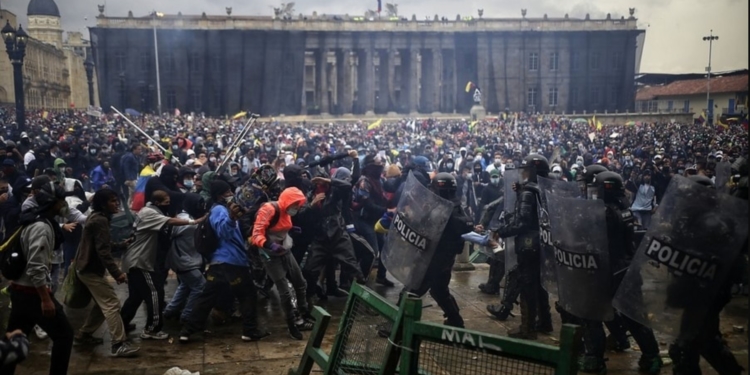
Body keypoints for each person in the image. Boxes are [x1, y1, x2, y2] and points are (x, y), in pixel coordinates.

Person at [179, 180, 270, 343]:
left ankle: (187, 331)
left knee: (206, 299)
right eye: (228, 192)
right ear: (221, 194)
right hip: (232, 262)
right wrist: (231, 218)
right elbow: (224, 232)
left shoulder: (220, 209)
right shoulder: (220, 210)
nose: (231, 194)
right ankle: (250, 330)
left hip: (218, 264)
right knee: (248, 295)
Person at [4, 177, 74, 375]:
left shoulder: (37, 220)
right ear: (53, 203)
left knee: (14, 338)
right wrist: (46, 299)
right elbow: (36, 267)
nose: (64, 205)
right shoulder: (42, 228)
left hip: (20, 290)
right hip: (32, 293)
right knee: (64, 335)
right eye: (62, 201)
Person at [120, 190, 203, 340]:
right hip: (140, 261)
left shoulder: (148, 210)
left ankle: (122, 323)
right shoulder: (150, 213)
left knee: (136, 296)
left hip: (134, 259)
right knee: (155, 293)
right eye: (166, 202)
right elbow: (169, 221)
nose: (169, 204)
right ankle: (152, 329)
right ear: (157, 202)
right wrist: (194, 222)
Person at [73, 188, 140, 357]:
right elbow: (103, 251)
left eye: (116, 200)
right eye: (112, 201)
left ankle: (84, 334)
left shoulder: (98, 217)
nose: (116, 203)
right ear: (103, 204)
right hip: (90, 269)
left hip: (86, 267)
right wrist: (117, 273)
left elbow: (102, 244)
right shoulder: (100, 220)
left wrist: (120, 245)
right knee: (112, 303)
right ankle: (118, 344)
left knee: (101, 303)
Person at [496, 153, 552, 339]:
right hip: (543, 241)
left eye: (527, 169)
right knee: (540, 284)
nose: (524, 172)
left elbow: (522, 222)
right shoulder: (546, 189)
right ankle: (545, 321)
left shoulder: (528, 192)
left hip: (528, 244)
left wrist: (501, 231)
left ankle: (527, 328)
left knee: (528, 285)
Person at [250, 187, 311, 340]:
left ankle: (304, 314)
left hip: (285, 249)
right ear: (287, 201)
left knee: (300, 283)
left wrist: (290, 230)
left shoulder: (286, 211)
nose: (296, 208)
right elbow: (256, 234)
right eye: (295, 204)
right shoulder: (269, 209)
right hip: (270, 255)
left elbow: (281, 226)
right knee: (284, 291)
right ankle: (292, 324)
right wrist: (269, 245)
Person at [163, 193, 207, 323]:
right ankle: (187, 315)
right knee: (200, 285)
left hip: (187, 259)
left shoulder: (188, 217)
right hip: (183, 260)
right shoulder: (185, 220)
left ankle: (171, 310)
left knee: (186, 285)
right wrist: (203, 219)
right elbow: (190, 226)